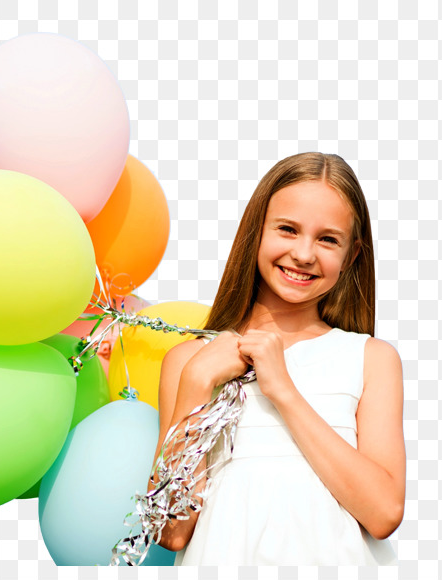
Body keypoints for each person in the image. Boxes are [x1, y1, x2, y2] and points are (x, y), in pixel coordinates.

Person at [151, 152, 404, 565]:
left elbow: (383, 513)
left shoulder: (370, 359)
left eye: (328, 239)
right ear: (257, 231)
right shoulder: (190, 361)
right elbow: (170, 530)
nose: (304, 254)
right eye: (287, 230)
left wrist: (283, 390)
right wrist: (196, 383)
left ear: (353, 254)